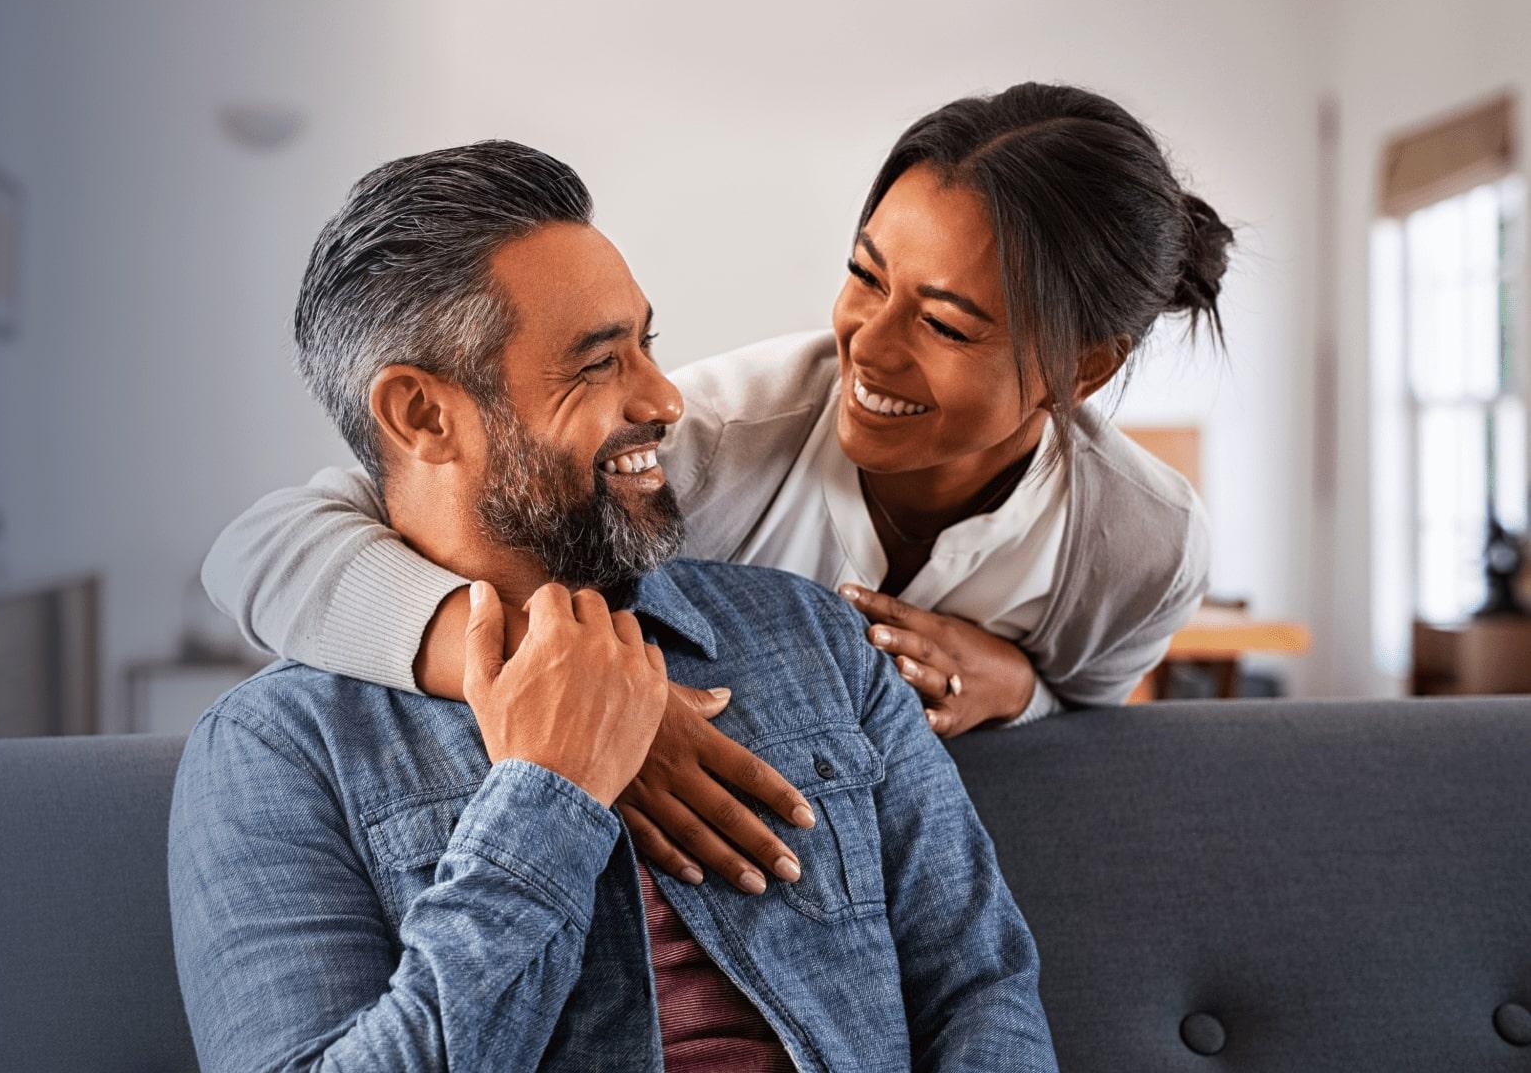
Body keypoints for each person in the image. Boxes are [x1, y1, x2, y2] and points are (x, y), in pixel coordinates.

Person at [201, 82, 1227, 890]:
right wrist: (562, 686)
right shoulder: (714, 440)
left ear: (1082, 367)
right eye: (865, 275)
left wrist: (1022, 689)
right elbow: (262, 547)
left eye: (947, 323)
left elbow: (1092, 724)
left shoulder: (1142, 543)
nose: (866, 343)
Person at [169, 140, 1054, 1071]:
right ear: (423, 416)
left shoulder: (817, 639)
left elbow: (982, 988)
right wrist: (546, 798)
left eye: (649, 344)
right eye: (597, 364)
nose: (666, 397)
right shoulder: (278, 751)